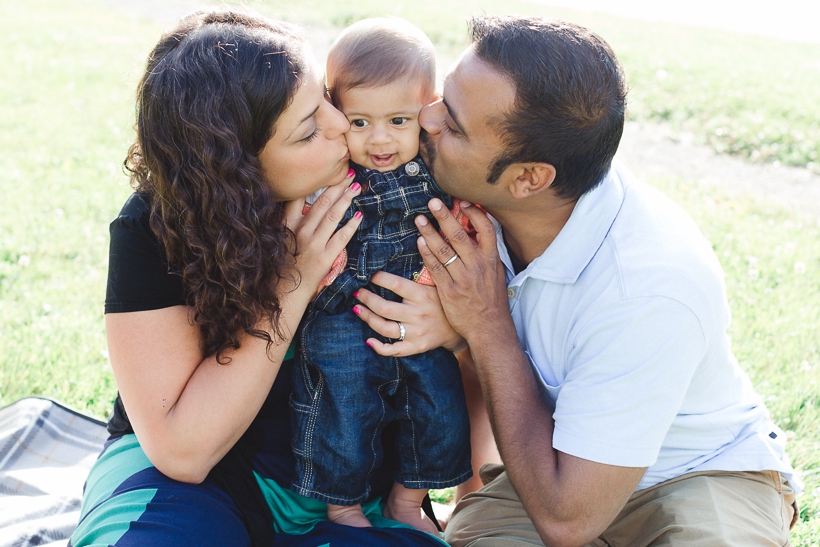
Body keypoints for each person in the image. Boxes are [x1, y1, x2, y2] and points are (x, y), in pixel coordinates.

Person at [354, 14, 800, 547]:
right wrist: (458, 339)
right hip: (547, 458)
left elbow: (569, 521)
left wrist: (485, 324)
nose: (424, 119)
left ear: (528, 178)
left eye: (453, 124)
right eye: (441, 100)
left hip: (695, 471)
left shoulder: (648, 284)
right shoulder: (460, 206)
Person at [70, 9, 450, 547]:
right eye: (308, 130)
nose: (343, 124)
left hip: (347, 485)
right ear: (240, 171)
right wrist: (293, 284)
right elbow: (183, 450)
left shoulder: (403, 179)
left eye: (324, 98)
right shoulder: (155, 225)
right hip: (196, 475)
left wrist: (451, 329)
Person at [291, 18, 471, 533]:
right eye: (360, 122)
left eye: (398, 120)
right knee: (342, 403)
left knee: (438, 402)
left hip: (419, 310)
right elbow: (306, 230)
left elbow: (461, 226)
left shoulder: (441, 170)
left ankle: (407, 502)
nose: (380, 140)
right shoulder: (330, 170)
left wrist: (442, 296)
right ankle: (343, 505)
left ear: (428, 112)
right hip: (340, 309)